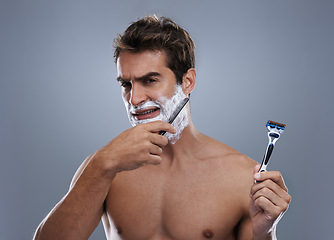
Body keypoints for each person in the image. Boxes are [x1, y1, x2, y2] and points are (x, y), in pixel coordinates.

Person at [34, 15, 291, 240]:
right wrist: (103, 164)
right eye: (126, 84)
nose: (134, 99)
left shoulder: (242, 176)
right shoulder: (104, 168)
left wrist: (265, 233)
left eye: (150, 80)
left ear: (187, 81)